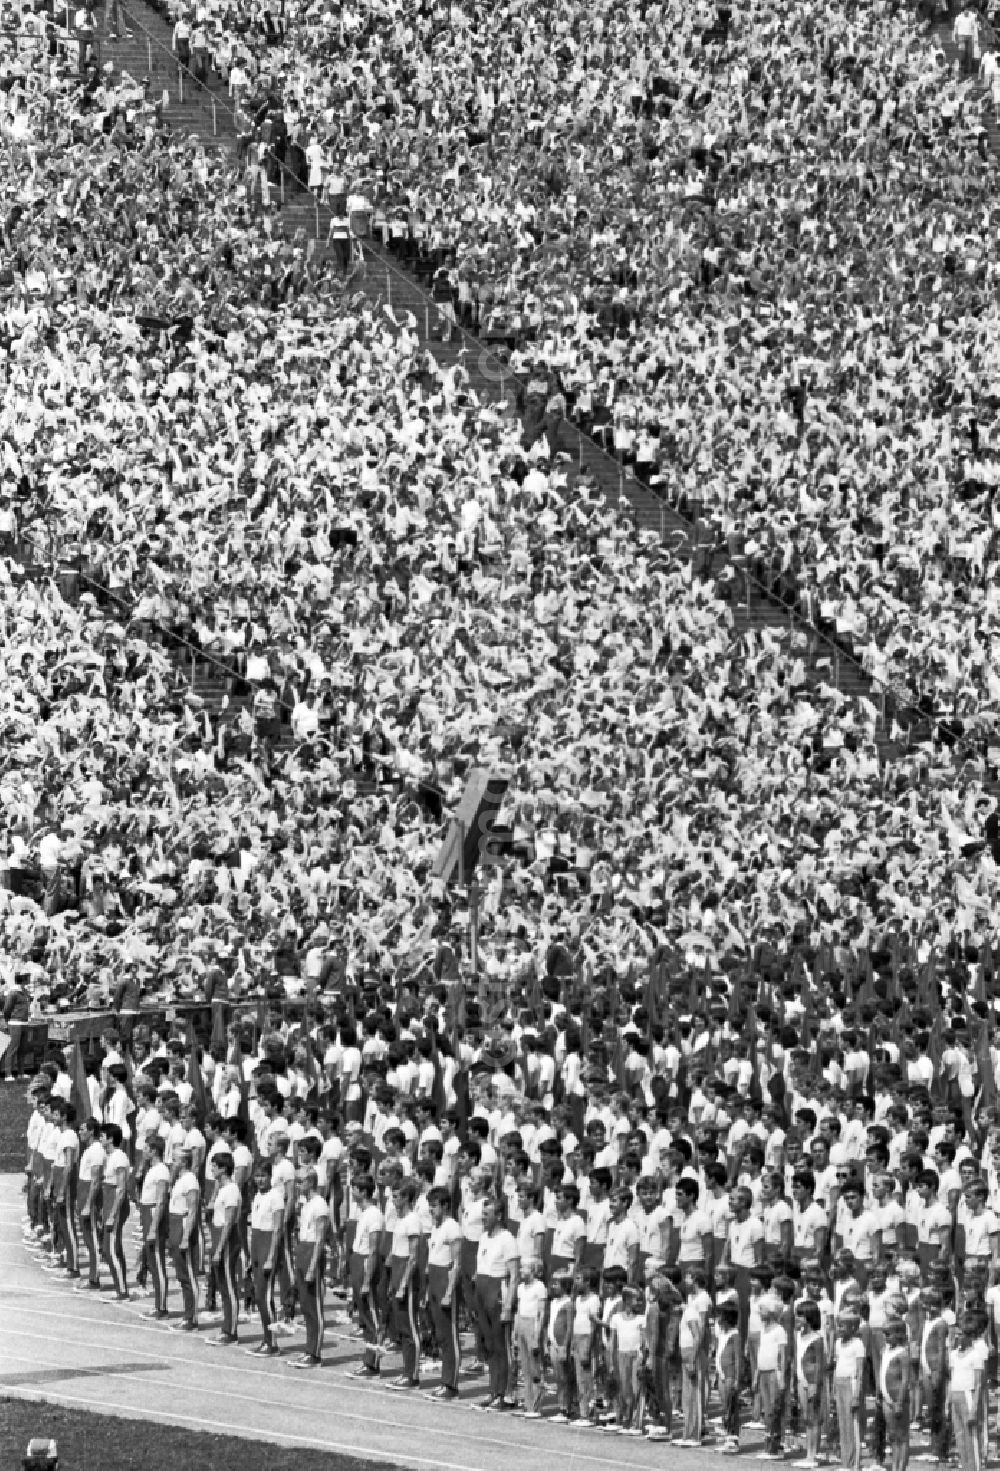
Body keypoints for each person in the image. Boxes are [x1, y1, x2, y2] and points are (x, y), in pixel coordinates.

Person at [474, 1194, 518, 1411]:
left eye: (487, 1214)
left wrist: (508, 1305)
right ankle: (493, 1391)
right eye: (482, 1213)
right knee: (489, 1345)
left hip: (497, 1293)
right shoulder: (484, 1237)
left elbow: (514, 1274)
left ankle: (505, 1393)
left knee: (502, 1347)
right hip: (482, 1290)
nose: (483, 1218)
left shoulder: (507, 1239)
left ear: (499, 1215)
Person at [424, 1186, 462, 1400]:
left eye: (435, 1205)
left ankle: (451, 1384)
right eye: (429, 1205)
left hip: (445, 1280)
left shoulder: (452, 1227)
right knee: (440, 1334)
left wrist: (449, 1292)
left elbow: (456, 1263)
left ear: (446, 1206)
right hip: (435, 1280)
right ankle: (444, 1381)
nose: (431, 1209)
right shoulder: (437, 1227)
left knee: (450, 1335)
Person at [292, 1165, 330, 1369]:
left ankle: (315, 1353)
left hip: (312, 1254)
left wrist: (312, 1266)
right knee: (306, 1306)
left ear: (311, 1182)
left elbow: (320, 1239)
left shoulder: (320, 1205)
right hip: (303, 1250)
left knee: (314, 1306)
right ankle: (309, 1348)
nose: (298, 1185)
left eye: (300, 1181)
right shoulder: (305, 1204)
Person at [248, 1157, 286, 1358]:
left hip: (267, 1247)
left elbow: (278, 1229)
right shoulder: (258, 1196)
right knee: (259, 1295)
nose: (260, 1180)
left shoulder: (275, 1197)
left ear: (270, 1177)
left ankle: (271, 1342)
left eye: (263, 1176)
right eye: (257, 1176)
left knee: (266, 1296)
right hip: (256, 1245)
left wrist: (271, 1257)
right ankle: (266, 1337)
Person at [208, 1152, 242, 1346]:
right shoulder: (222, 1188)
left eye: (214, 1167)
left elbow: (229, 1222)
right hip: (218, 1235)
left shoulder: (231, 1190)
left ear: (223, 1168)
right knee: (222, 1285)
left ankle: (231, 1331)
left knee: (229, 1285)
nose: (212, 1170)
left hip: (227, 1240)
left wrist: (220, 1249)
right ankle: (226, 1327)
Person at [167, 1145, 201, 1331]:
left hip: (182, 1226)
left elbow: (193, 1210)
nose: (172, 1163)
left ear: (183, 1162)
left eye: (175, 1160)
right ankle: (187, 1315)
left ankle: (192, 1318)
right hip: (175, 1225)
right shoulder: (180, 1180)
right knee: (181, 1275)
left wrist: (186, 1237)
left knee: (188, 1276)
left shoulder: (190, 1181)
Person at [138, 1134, 171, 1321]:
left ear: (154, 1151)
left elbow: (160, 1201)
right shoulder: (152, 1169)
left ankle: (162, 1307)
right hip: (147, 1213)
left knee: (157, 1262)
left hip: (153, 1216)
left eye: (146, 1149)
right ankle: (158, 1304)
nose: (143, 1152)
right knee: (151, 1260)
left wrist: (153, 1228)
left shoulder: (161, 1172)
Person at [513, 1258, 547, 1418]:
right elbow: (518, 1310)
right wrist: (515, 1331)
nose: (521, 1271)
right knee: (524, 1367)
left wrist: (537, 1336)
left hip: (533, 1325)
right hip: (522, 1323)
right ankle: (528, 1403)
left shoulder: (540, 1287)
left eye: (524, 1268)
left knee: (535, 1368)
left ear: (533, 1270)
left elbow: (541, 1313)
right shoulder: (520, 1288)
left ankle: (536, 1404)